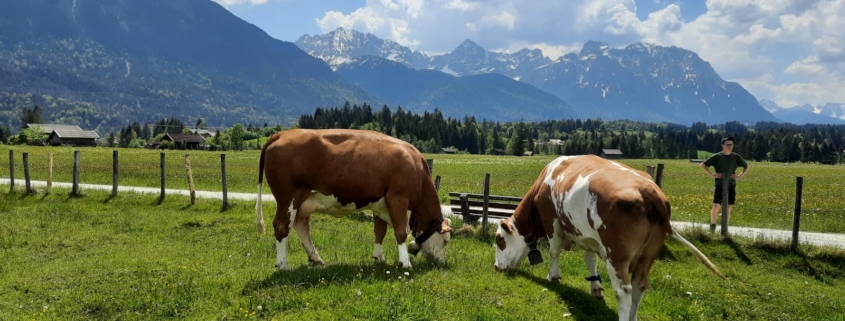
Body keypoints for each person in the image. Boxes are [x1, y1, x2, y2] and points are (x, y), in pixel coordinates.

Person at [699, 136, 750, 232]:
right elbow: (702, 165)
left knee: (728, 206)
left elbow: (747, 166)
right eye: (727, 145)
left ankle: (724, 227)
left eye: (731, 144)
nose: (730, 146)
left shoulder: (736, 157)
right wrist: (712, 175)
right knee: (716, 206)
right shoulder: (717, 156)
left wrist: (740, 176)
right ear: (722, 145)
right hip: (719, 184)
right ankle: (712, 227)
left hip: (731, 184)